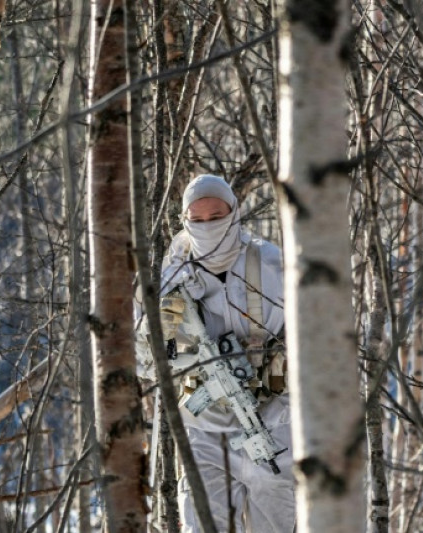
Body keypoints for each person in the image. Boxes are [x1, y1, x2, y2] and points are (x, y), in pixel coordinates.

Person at [136, 174, 295, 533]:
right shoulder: (169, 277)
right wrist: (190, 367)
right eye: (198, 221)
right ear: (185, 221)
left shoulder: (272, 265)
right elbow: (143, 354)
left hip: (273, 424)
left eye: (217, 218)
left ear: (235, 213)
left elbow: (309, 340)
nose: (208, 227)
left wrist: (269, 382)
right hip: (203, 432)